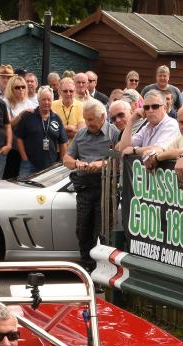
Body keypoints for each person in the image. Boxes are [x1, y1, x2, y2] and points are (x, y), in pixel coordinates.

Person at [64, 100, 118, 273]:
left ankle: (103, 271)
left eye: (92, 119)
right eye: (86, 119)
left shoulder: (114, 133)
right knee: (83, 230)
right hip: (84, 188)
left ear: (103, 116)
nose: (89, 123)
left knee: (103, 232)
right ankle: (87, 267)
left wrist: (100, 164)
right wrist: (77, 163)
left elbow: (119, 160)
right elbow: (66, 159)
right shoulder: (81, 134)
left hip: (105, 188)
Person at [14, 87, 66, 177]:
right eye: (43, 99)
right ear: (38, 100)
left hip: (50, 166)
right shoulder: (28, 116)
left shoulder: (57, 119)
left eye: (49, 100)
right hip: (29, 164)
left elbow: (63, 142)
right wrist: (24, 158)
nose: (46, 102)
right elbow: (19, 138)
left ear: (52, 101)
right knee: (24, 189)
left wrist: (62, 161)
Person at [117, 88, 180, 155]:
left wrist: (135, 150)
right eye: (146, 107)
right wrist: (131, 121)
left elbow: (158, 149)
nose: (150, 110)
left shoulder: (171, 124)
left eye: (155, 106)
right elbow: (123, 148)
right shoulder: (147, 127)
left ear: (164, 107)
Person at [152, 104, 183, 181]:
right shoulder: (180, 138)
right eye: (181, 122)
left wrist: (156, 157)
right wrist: (152, 153)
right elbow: (164, 149)